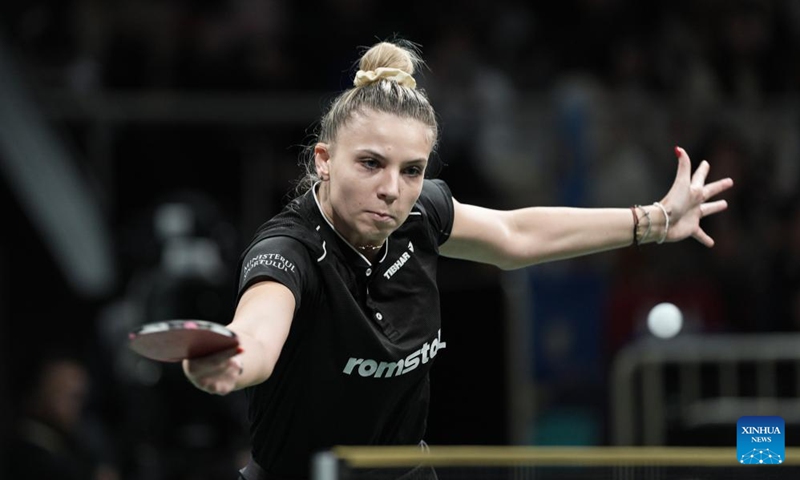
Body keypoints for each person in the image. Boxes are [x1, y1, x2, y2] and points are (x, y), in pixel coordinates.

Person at [182, 39, 733, 479]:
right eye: (371, 163)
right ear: (324, 160)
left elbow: (516, 234)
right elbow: (257, 332)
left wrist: (655, 220)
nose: (393, 189)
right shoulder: (290, 251)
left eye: (412, 169)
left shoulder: (421, 213)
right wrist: (232, 360)